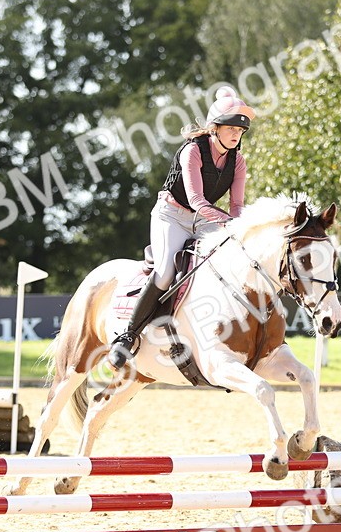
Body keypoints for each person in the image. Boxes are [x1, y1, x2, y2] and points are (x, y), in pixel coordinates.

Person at [107, 86, 256, 368]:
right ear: (214, 128)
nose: (236, 134)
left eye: (240, 130)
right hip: (172, 215)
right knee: (166, 273)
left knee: (225, 265)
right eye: (231, 128)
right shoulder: (193, 150)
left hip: (205, 220)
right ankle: (128, 336)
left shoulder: (238, 161)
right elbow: (197, 200)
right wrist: (230, 223)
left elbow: (237, 206)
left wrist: (241, 228)